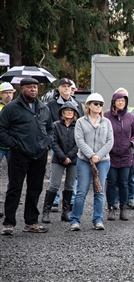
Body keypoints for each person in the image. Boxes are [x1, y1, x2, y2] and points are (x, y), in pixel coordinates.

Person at [0, 77, 53, 235]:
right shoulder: (11, 108)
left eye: (35, 87)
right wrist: (14, 144)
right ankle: (9, 223)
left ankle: (31, 222)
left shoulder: (43, 108)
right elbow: (1, 129)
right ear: (21, 89)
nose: (33, 90)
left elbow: (50, 128)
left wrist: (46, 143)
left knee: (35, 188)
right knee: (15, 188)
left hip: (39, 154)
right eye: (29, 87)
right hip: (19, 154)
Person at [70, 93, 113, 231]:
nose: (98, 106)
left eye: (101, 104)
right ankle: (75, 220)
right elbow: (79, 141)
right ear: (88, 105)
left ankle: (98, 220)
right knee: (81, 191)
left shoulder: (106, 122)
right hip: (84, 160)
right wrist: (91, 155)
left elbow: (110, 141)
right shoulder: (81, 122)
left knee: (99, 191)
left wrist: (98, 156)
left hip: (103, 161)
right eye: (95, 103)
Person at [47, 78, 84, 212]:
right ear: (59, 89)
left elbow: (81, 125)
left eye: (69, 86)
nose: (67, 88)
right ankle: (54, 201)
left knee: (72, 178)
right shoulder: (52, 104)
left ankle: (70, 202)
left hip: (73, 146)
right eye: (64, 86)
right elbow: (48, 124)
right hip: (57, 145)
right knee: (55, 176)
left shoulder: (78, 104)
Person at [41, 102, 79, 224]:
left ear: (74, 113)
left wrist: (69, 156)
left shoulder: (77, 126)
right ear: (62, 112)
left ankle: (65, 213)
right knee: (54, 185)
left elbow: (79, 142)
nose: (69, 112)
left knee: (69, 186)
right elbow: (53, 142)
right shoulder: (56, 125)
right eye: (66, 110)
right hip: (58, 159)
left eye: (71, 110)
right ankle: (46, 212)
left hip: (73, 160)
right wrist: (63, 157)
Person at [105, 93, 134, 221]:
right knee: (112, 182)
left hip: (126, 154)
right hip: (111, 154)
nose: (120, 103)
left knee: (124, 183)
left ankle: (123, 208)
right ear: (113, 102)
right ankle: (111, 208)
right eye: (118, 101)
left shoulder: (130, 117)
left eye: (123, 101)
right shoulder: (107, 116)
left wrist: (132, 142)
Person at [113, 87, 134, 210]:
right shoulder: (109, 114)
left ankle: (129, 199)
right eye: (118, 98)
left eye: (123, 98)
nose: (121, 101)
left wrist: (132, 142)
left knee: (129, 178)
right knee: (115, 179)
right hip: (114, 152)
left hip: (130, 152)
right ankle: (116, 200)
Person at [0, 82, 16, 217]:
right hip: (0, 146)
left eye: (10, 92)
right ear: (1, 94)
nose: (8, 95)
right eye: (5, 92)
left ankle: (12, 197)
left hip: (12, 146)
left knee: (14, 174)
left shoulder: (16, 107)